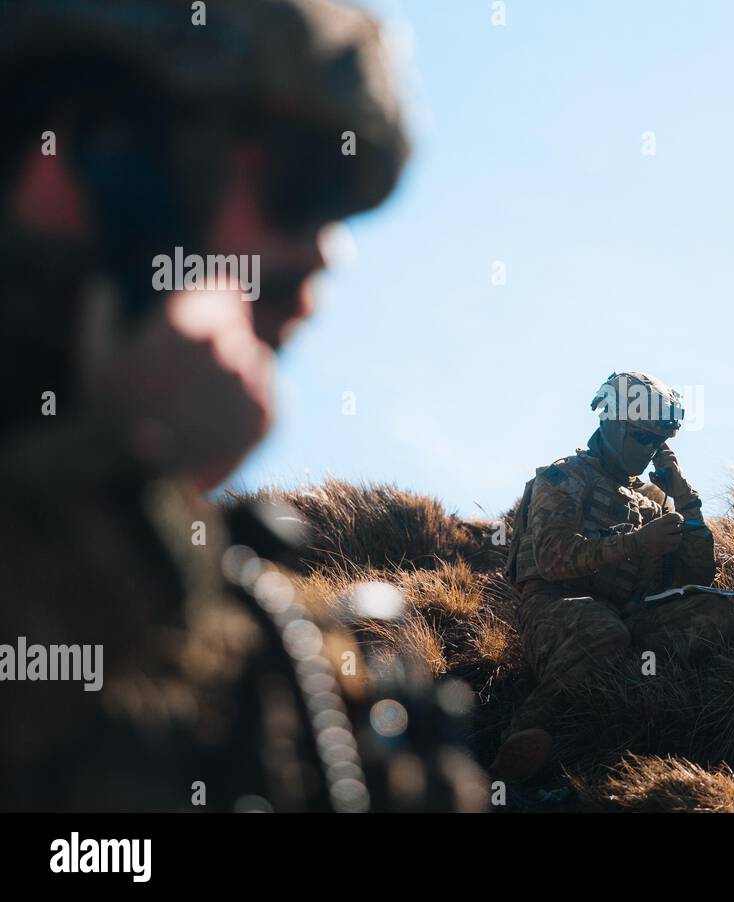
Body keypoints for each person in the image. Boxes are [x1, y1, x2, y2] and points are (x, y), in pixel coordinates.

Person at [0, 0, 483, 811]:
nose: (325, 256)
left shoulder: (219, 588)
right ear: (104, 155)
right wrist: (109, 495)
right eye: (304, 184)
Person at [496, 372, 734, 781]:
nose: (648, 451)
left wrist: (684, 497)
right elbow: (554, 560)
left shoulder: (654, 501)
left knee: (721, 611)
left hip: (631, 613)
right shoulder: (563, 478)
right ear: (610, 423)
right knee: (603, 632)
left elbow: (699, 574)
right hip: (555, 608)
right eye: (641, 437)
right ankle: (523, 735)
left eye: (657, 442)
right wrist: (636, 543)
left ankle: (647, 707)